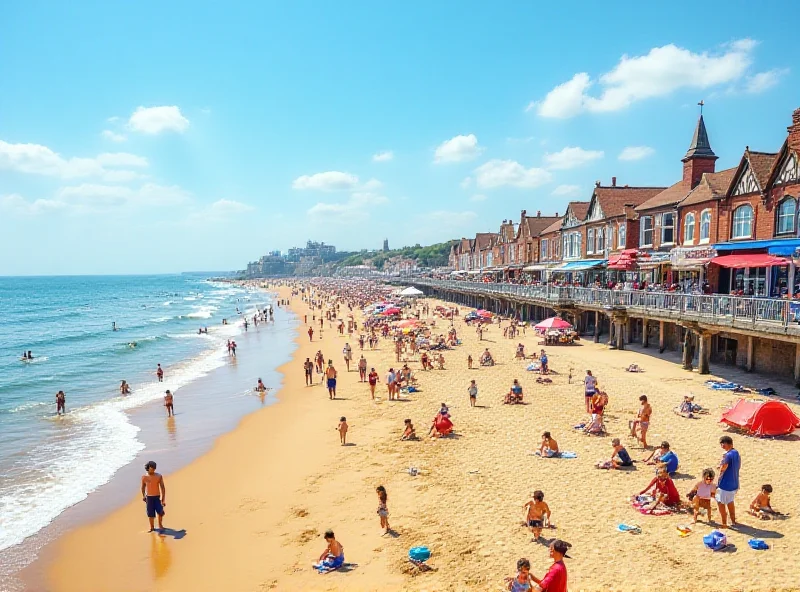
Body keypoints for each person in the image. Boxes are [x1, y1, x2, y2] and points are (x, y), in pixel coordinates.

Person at [716, 435, 741, 528]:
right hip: (734, 482)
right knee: (730, 501)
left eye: (722, 444)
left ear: (726, 443)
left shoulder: (727, 455)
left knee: (720, 502)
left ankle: (724, 523)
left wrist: (720, 467)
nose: (722, 446)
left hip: (725, 483)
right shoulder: (736, 453)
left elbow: (724, 468)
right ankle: (733, 521)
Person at [141, 461, 166, 532]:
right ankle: (152, 527)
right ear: (148, 468)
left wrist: (163, 498)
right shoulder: (144, 477)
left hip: (157, 497)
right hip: (149, 497)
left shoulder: (159, 476)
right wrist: (143, 495)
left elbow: (163, 488)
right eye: (151, 469)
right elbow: (143, 487)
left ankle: (160, 525)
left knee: (160, 512)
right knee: (150, 513)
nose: (153, 470)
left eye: (154, 469)